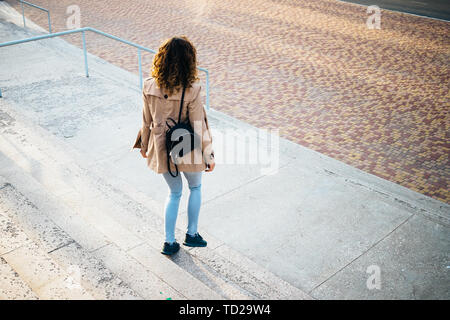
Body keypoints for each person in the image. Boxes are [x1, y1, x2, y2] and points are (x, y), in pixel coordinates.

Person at [133, 36, 215, 256]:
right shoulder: (193, 88)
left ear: (162, 58)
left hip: (160, 147)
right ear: (189, 61)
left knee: (174, 193)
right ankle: (192, 234)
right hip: (186, 146)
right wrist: (209, 155)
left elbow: (145, 120)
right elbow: (198, 125)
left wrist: (143, 145)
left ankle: (169, 242)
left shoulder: (149, 84)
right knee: (195, 188)